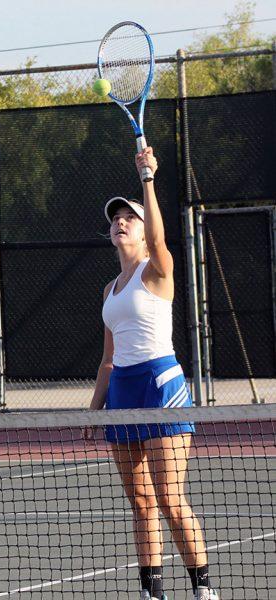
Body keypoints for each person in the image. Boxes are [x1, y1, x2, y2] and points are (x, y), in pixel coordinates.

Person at [88, 148, 218, 600]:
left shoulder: (157, 270)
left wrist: (148, 178)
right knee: (141, 503)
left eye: (130, 219)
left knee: (169, 498)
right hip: (122, 393)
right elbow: (108, 358)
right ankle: (153, 593)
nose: (120, 222)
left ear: (145, 235)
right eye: (115, 219)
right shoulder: (110, 289)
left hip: (161, 385)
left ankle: (203, 591)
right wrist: (95, 409)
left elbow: (163, 243)